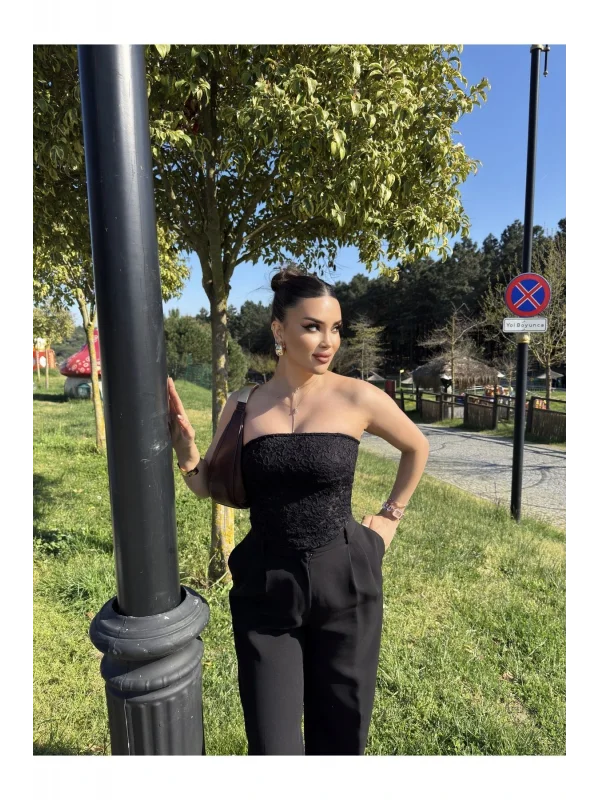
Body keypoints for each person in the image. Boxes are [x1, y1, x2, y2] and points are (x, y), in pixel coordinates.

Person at [167, 266, 429, 755]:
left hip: (346, 577)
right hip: (266, 584)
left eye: (336, 329)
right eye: (312, 327)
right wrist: (186, 451)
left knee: (341, 739)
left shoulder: (357, 396)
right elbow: (211, 488)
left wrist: (389, 518)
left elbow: (417, 447)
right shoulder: (243, 404)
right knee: (273, 746)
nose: (328, 342)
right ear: (279, 330)